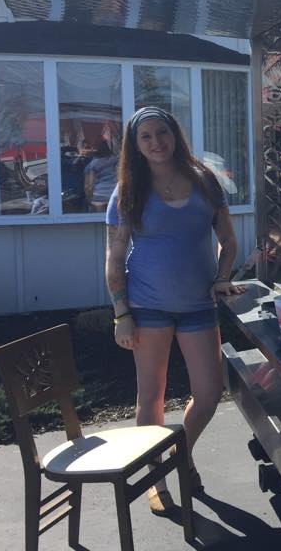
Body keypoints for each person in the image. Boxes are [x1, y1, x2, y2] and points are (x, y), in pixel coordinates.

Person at [104, 106, 245, 515]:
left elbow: (229, 241)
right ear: (136, 145)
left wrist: (222, 276)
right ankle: (156, 478)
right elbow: (114, 258)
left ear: (174, 135)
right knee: (151, 396)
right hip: (146, 308)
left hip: (198, 305)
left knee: (208, 392)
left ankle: (178, 452)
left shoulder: (205, 182)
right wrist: (121, 312)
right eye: (145, 137)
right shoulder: (128, 190)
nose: (155, 142)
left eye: (161, 133)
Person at [84, 139, 118, 211]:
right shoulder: (115, 159)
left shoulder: (93, 164)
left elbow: (90, 184)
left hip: (99, 192)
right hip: (113, 191)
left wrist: (89, 198)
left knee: (99, 217)